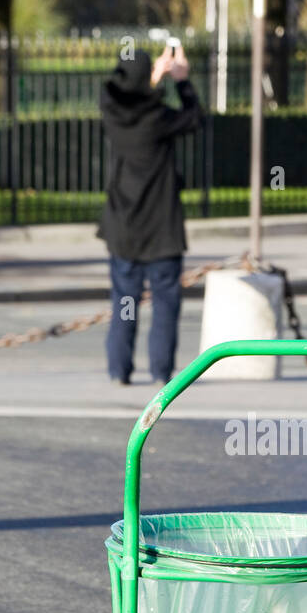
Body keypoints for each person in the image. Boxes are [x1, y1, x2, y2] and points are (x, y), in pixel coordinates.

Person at [98, 44, 203, 385]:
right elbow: (195, 117)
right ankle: (161, 373)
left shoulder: (113, 113)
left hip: (123, 226)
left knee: (125, 301)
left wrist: (152, 80)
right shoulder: (159, 119)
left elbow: (123, 95)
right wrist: (180, 80)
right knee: (164, 306)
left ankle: (119, 370)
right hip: (162, 228)